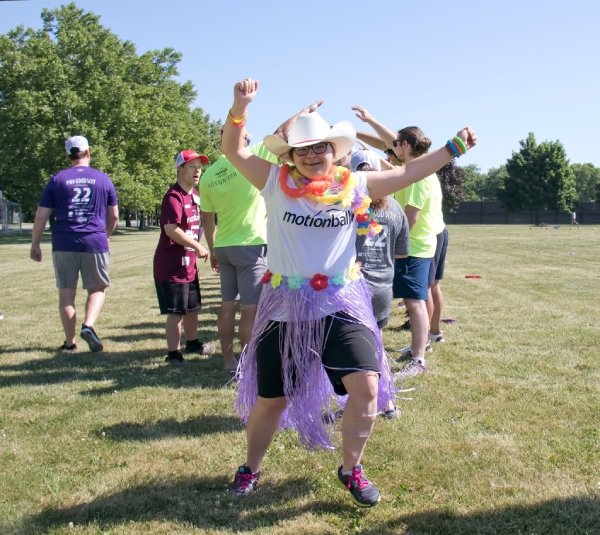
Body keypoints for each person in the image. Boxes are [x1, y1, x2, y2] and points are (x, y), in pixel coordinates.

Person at [222, 78, 476, 507]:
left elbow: (410, 170)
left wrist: (452, 148)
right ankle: (250, 467)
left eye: (320, 147)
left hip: (341, 303)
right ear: (291, 155)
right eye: (303, 149)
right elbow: (234, 150)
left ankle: (351, 468)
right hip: (284, 308)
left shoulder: (355, 185)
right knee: (272, 400)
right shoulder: (272, 181)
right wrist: (239, 106)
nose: (313, 155)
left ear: (334, 151)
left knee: (367, 390)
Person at [200, 101, 323, 372]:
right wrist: (304, 112)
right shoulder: (250, 156)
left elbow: (207, 219)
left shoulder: (207, 175)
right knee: (251, 308)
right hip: (251, 244)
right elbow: (280, 133)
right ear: (240, 138)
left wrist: (211, 249)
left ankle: (227, 360)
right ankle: (248, 362)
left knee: (227, 305)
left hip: (223, 246)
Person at [352, 108, 442, 378]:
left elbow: (409, 219)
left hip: (413, 247)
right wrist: (364, 125)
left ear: (405, 146)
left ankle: (419, 358)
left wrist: (389, 248)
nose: (391, 149)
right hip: (417, 245)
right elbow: (388, 146)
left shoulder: (416, 176)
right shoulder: (415, 167)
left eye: (396, 145)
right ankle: (421, 345)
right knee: (417, 298)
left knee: (415, 301)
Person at [30, 135, 118, 352]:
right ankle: (88, 325)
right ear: (88, 152)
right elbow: (114, 216)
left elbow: (41, 216)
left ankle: (70, 343)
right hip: (94, 241)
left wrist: (35, 244)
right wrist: (105, 236)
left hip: (63, 242)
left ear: (68, 155)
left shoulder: (57, 180)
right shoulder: (103, 179)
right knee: (97, 289)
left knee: (67, 294)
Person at [352, 151, 409, 419]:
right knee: (377, 345)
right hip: (383, 287)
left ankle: (347, 401)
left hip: (351, 288)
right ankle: (387, 403)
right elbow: (401, 252)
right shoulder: (396, 208)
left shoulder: (345, 204)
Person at [153, 150, 215, 366]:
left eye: (199, 166)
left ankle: (193, 343)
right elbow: (171, 229)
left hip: (188, 265)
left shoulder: (196, 196)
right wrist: (197, 246)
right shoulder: (173, 197)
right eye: (192, 166)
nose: (197, 170)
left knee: (192, 308)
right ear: (180, 169)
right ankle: (173, 354)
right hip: (171, 266)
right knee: (176, 312)